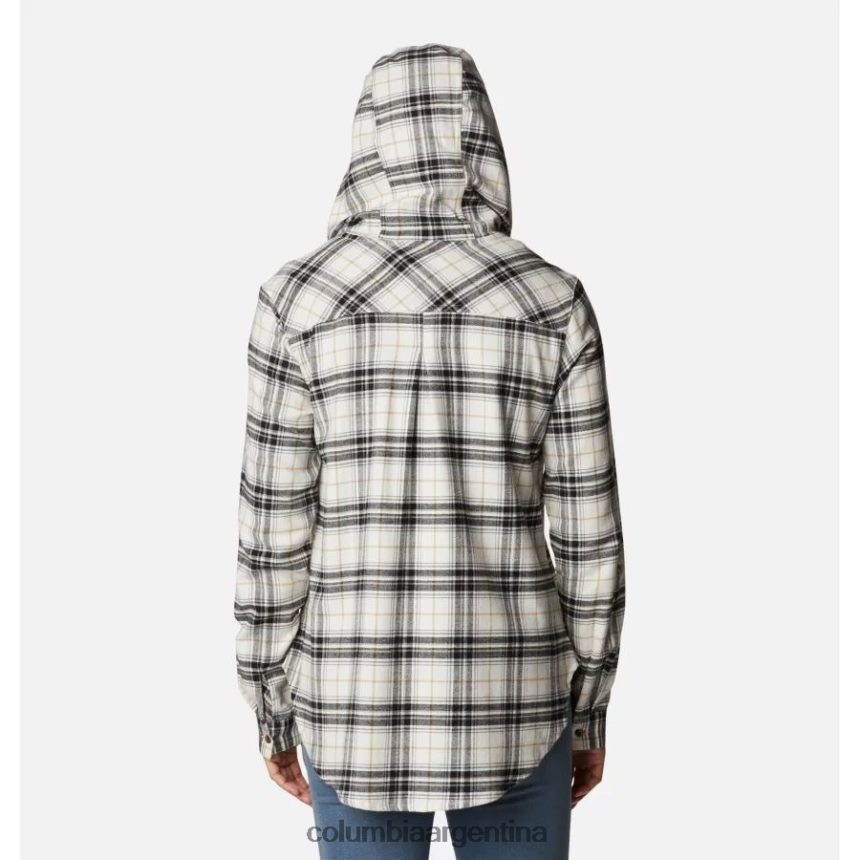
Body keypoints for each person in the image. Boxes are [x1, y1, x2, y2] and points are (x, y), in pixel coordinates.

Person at [234, 43, 626, 859]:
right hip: (518, 702)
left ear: (367, 140)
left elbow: (272, 532)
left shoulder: (296, 300)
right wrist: (588, 707)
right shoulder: (551, 300)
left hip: (350, 705)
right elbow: (591, 538)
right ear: (481, 138)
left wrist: (270, 705)